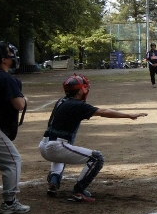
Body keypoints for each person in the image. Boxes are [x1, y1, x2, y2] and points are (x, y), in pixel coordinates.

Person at [39, 74, 148, 202]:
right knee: (97, 158)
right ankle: (79, 191)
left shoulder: (61, 101)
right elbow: (103, 112)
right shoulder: (77, 105)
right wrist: (129, 115)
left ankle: (54, 180)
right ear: (80, 90)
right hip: (56, 147)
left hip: (44, 146)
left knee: (62, 153)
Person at [0, 42, 30, 214]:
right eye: (9, 54)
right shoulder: (5, 78)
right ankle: (10, 203)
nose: (12, 57)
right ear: (3, 60)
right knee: (12, 161)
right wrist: (24, 99)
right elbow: (19, 104)